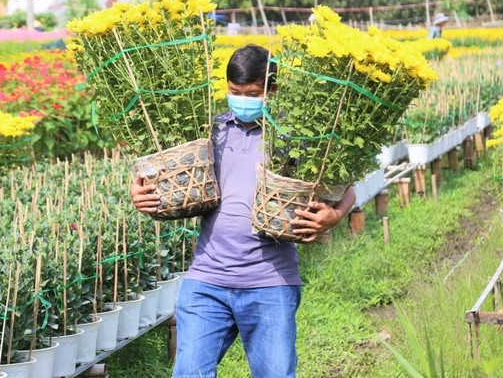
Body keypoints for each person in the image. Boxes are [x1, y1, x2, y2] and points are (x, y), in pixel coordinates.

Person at [130, 44, 356, 378]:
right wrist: (137, 192)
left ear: (272, 90)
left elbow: (347, 188)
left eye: (251, 93)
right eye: (235, 92)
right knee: (188, 373)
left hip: (271, 281)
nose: (242, 101)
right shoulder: (210, 131)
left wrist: (335, 216)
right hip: (207, 279)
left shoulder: (294, 137)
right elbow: (153, 174)